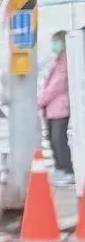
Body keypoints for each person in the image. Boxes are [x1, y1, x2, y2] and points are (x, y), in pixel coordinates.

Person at [39, 29, 74, 188]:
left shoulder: (66, 62)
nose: (54, 45)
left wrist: (41, 101)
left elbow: (56, 86)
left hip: (60, 108)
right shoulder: (57, 60)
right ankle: (60, 169)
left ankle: (67, 170)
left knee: (59, 140)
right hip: (51, 109)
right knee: (53, 140)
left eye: (56, 42)